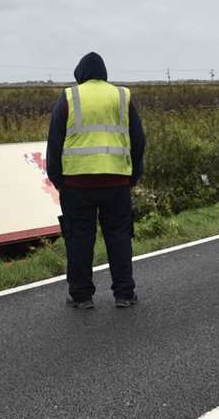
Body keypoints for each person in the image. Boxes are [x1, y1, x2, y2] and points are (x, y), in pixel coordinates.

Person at [45, 51, 145, 309]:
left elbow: (55, 141)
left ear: (80, 74)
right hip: (116, 180)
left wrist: (57, 178)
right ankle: (124, 293)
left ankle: (81, 296)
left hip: (77, 182)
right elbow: (138, 139)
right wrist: (133, 175)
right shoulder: (122, 96)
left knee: (79, 238)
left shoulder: (70, 96)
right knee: (119, 236)